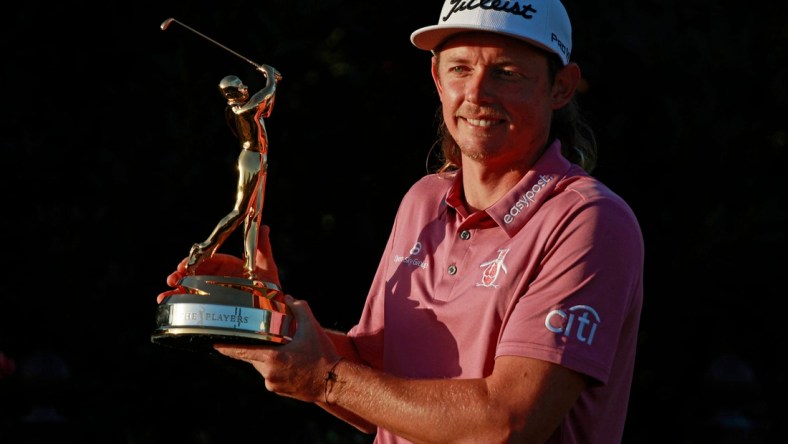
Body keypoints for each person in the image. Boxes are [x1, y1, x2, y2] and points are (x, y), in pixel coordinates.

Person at [159, 1, 644, 442]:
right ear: (437, 77)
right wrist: (268, 320)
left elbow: (509, 423)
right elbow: (378, 389)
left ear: (561, 86)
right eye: (461, 69)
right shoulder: (423, 200)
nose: (477, 93)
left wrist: (327, 377)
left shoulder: (588, 220)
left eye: (508, 72)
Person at [185, 65, 282, 280]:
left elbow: (267, 108)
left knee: (253, 217)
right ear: (232, 94)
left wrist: (272, 82)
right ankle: (201, 249)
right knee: (240, 212)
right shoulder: (241, 110)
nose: (245, 87)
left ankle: (250, 269)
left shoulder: (246, 107)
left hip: (261, 159)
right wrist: (270, 78)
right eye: (240, 87)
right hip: (251, 160)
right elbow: (264, 95)